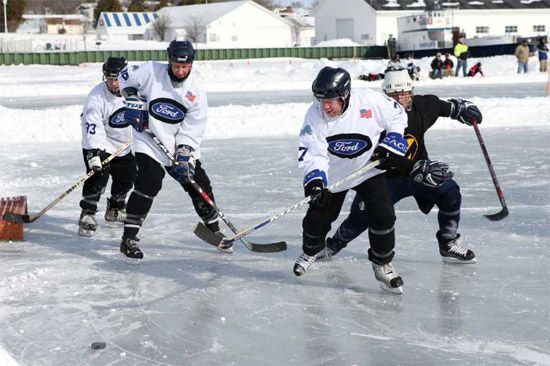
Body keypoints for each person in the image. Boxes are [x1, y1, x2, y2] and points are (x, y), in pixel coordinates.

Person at [317, 68, 482, 265]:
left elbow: (445, 107)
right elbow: (378, 155)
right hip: (382, 178)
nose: (401, 99)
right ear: (386, 95)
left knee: (450, 192)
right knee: (362, 216)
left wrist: (462, 110)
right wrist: (415, 168)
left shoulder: (423, 106)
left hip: (420, 173)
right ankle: (333, 245)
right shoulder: (375, 115)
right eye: (395, 95)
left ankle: (447, 242)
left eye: (405, 93)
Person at [294, 66, 409, 294]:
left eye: (330, 101)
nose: (325, 106)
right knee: (318, 217)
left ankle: (382, 263)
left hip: (367, 169)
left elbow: (398, 115)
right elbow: (312, 151)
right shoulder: (315, 115)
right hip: (333, 176)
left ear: (345, 95)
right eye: (321, 100)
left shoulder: (371, 101)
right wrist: (316, 182)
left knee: (383, 214)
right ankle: (311, 250)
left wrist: (394, 138)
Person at [117, 40, 228, 260]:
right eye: (176, 65)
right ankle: (128, 237)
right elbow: (124, 76)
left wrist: (184, 151)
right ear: (169, 61)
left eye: (184, 67)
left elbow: (195, 126)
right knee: (150, 180)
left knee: (198, 185)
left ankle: (215, 230)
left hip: (179, 145)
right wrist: (130, 97)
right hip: (148, 139)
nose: (180, 70)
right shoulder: (150, 71)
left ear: (191, 65)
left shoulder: (195, 92)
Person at [78, 56, 136, 237]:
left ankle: (115, 209)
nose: (113, 83)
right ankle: (87, 213)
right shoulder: (96, 97)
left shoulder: (135, 91)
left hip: (123, 145)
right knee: (98, 177)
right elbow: (92, 126)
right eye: (109, 78)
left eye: (117, 78)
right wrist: (94, 153)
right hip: (99, 144)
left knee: (127, 176)